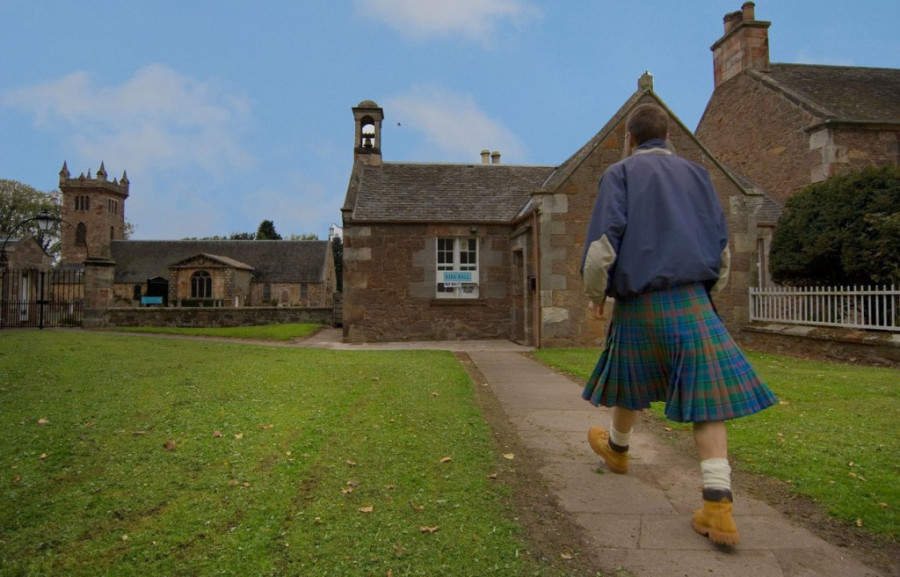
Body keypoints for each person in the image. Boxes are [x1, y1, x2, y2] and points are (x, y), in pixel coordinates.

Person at [580, 103, 777, 546]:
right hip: (692, 299)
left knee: (628, 378)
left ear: (628, 139)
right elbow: (721, 247)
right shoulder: (699, 175)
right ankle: (717, 506)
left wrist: (596, 297)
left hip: (637, 301)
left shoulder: (620, 174)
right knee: (707, 400)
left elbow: (602, 245)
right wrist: (707, 295)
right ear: (669, 139)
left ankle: (618, 449)